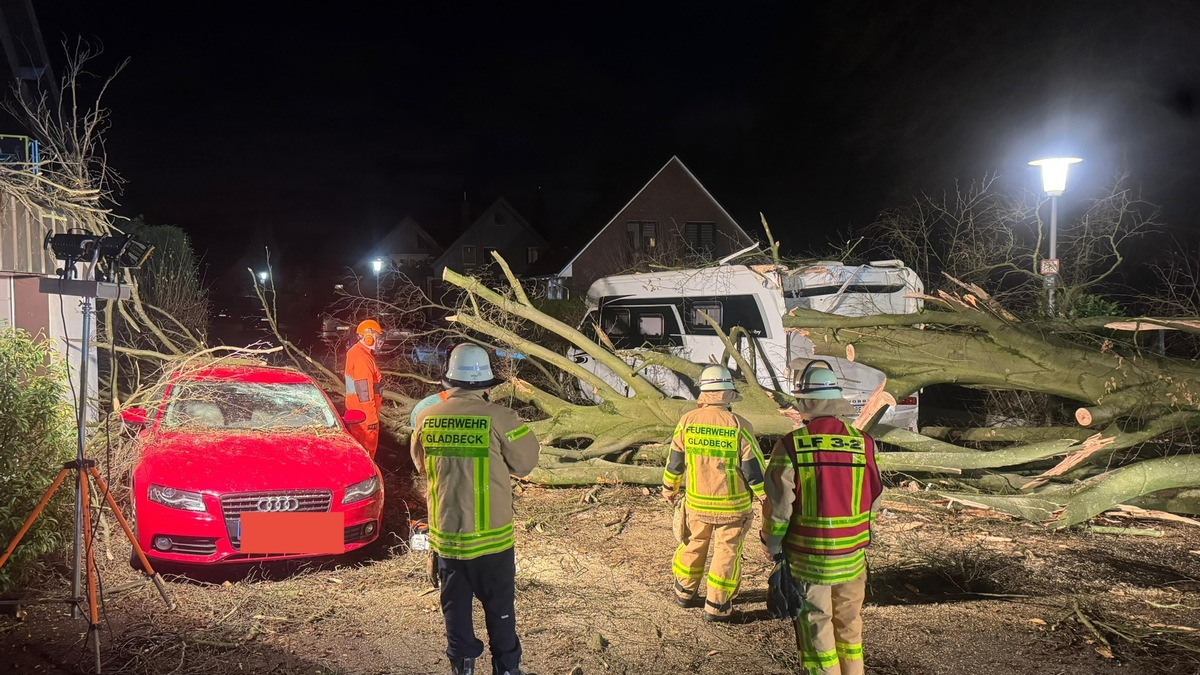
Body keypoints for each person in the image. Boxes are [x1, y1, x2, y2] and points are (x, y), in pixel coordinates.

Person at [411, 344, 540, 675]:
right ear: (486, 384)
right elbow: (525, 463)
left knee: (454, 608)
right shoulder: (501, 418)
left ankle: (462, 666)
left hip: (448, 539)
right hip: (492, 540)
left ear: (448, 380)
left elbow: (421, 465)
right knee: (500, 609)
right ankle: (507, 668)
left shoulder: (426, 418)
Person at [763, 361, 883, 675]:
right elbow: (874, 496)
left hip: (809, 560)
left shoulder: (791, 446)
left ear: (807, 403)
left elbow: (779, 507)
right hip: (852, 558)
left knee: (817, 628)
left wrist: (772, 545)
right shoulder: (863, 443)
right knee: (849, 626)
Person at [662, 364, 767, 622]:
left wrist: (669, 487)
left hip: (697, 505)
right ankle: (717, 607)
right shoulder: (739, 425)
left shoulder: (687, 421)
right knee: (726, 552)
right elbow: (753, 470)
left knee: (693, 544)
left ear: (703, 393)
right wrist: (766, 497)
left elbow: (675, 460)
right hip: (732, 508)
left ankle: (684, 592)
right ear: (728, 395)